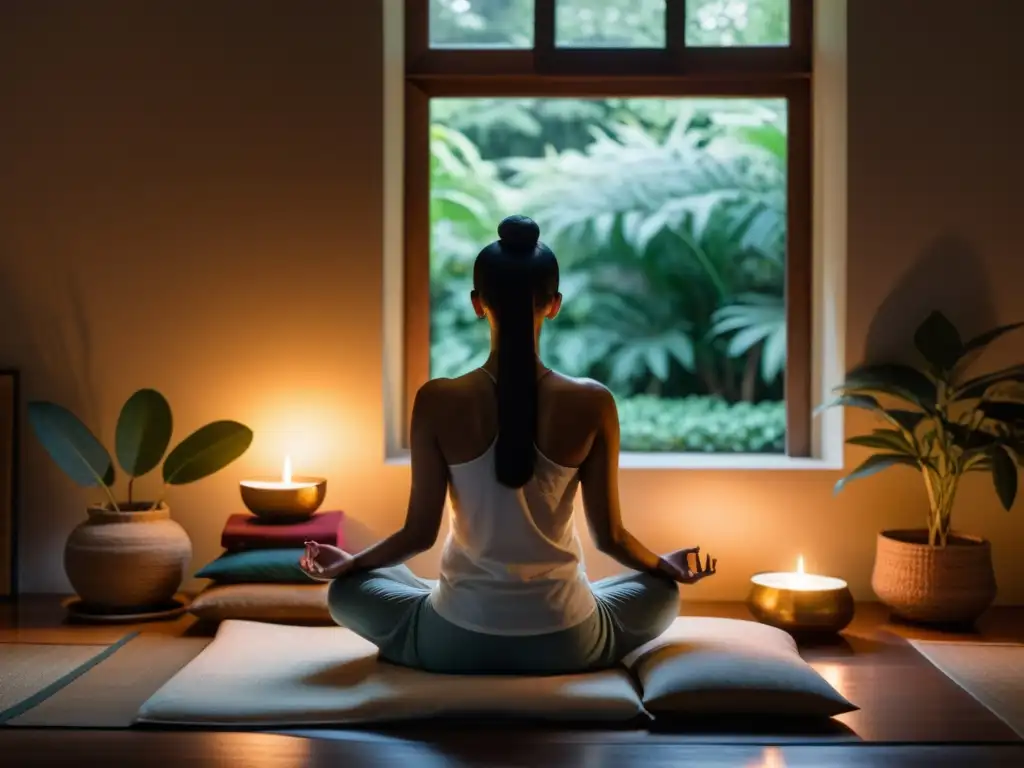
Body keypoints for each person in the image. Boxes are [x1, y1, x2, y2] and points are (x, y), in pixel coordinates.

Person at [299, 215, 717, 675]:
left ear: (478, 304)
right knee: (660, 592)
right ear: (554, 305)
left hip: (455, 640)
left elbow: (418, 535)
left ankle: (425, 631)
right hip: (568, 639)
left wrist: (351, 563)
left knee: (349, 589)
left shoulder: (438, 400)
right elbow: (611, 539)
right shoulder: (594, 403)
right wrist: (663, 565)